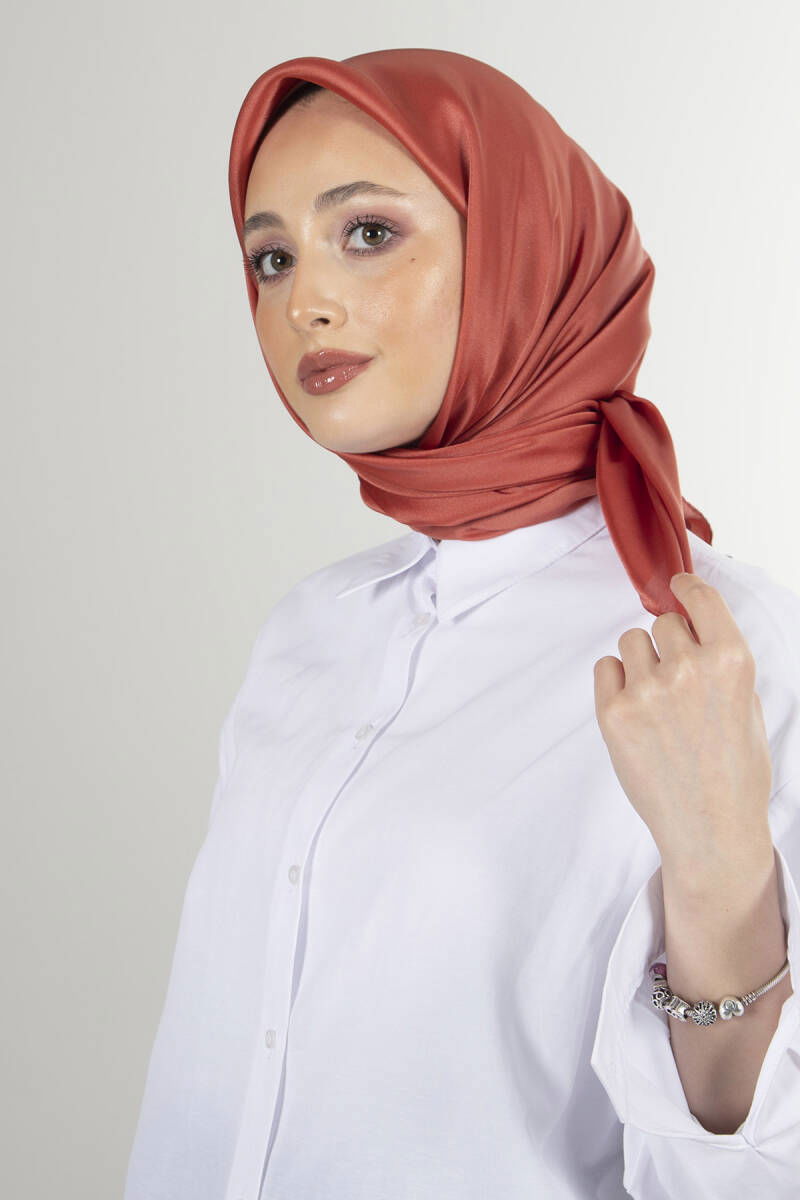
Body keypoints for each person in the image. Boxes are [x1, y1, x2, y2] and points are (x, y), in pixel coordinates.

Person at [123, 50, 800, 1200]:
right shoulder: (309, 630)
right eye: (271, 256)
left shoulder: (716, 648)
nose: (302, 302)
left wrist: (720, 877)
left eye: (366, 233)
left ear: (524, 251)